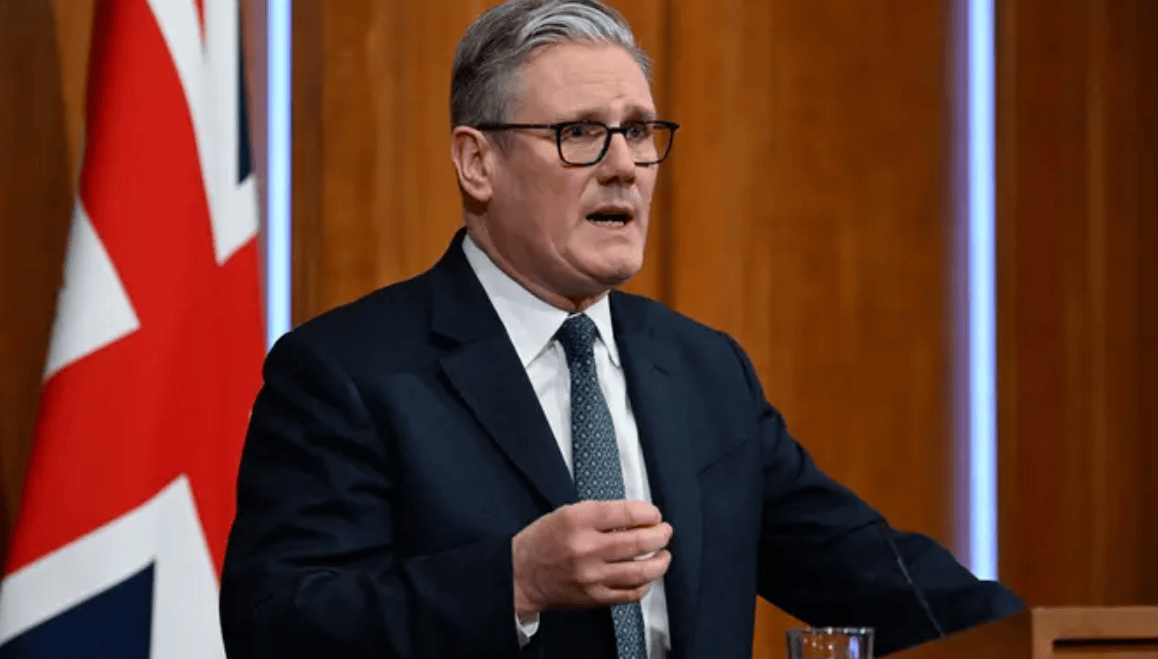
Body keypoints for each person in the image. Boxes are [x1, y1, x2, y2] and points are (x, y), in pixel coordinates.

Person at [218, 1, 1024, 657]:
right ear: (477, 163)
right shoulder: (347, 372)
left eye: (639, 131)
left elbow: (869, 572)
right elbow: (276, 627)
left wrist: (1050, 636)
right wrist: (513, 582)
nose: (624, 166)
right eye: (579, 133)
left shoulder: (705, 369)